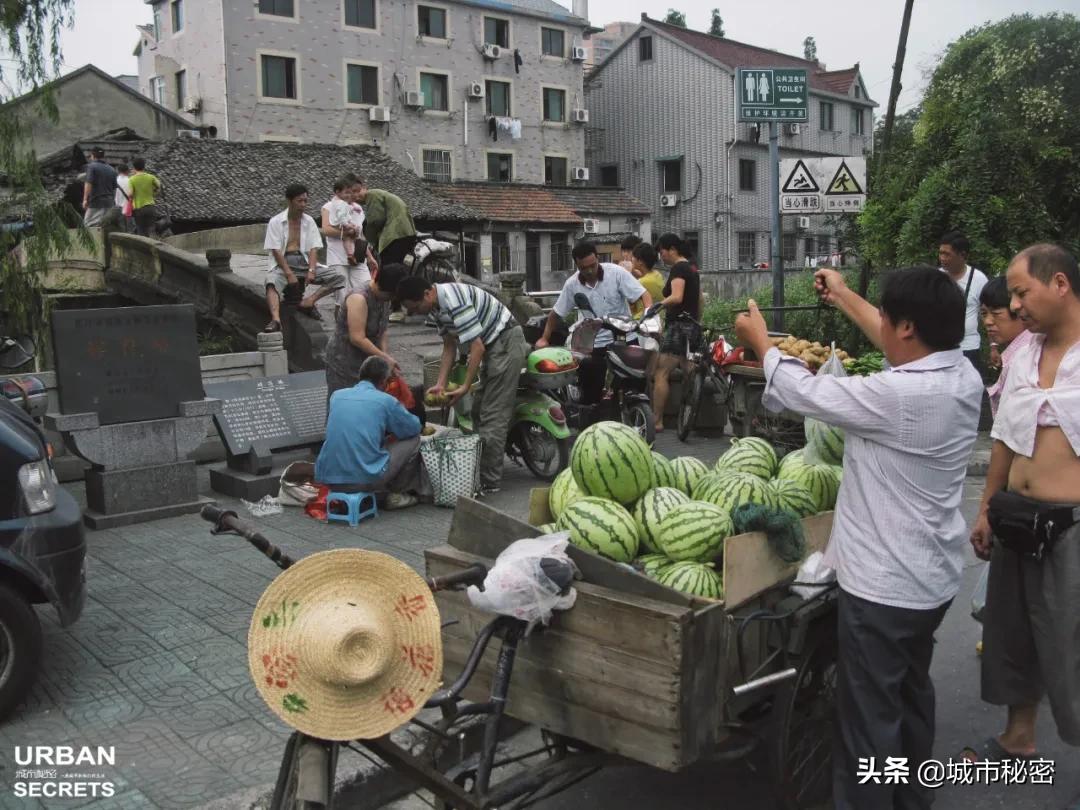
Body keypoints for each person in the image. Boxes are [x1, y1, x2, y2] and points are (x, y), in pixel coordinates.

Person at [735, 266, 982, 810]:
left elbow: (809, 393)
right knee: (910, 695)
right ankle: (913, 797)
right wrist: (845, 296)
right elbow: (896, 340)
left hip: (884, 591)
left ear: (909, 328)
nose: (885, 326)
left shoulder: (898, 396)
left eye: (889, 319)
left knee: (868, 726)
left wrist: (763, 346)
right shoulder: (959, 375)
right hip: (933, 581)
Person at [966, 244, 1080, 772]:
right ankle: (1019, 738)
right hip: (1017, 517)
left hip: (1072, 529)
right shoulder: (1024, 355)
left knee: (1071, 646)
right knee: (1012, 635)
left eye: (1019, 292)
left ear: (1059, 284)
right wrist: (988, 508)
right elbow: (1005, 441)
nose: (1013, 307)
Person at [396, 276, 527, 493]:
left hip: (504, 342)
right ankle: (480, 468)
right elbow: (449, 346)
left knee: (492, 415)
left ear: (428, 293)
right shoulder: (436, 308)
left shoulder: (453, 301)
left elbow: (477, 347)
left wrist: (465, 386)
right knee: (477, 411)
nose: (415, 312)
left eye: (415, 306)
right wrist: (441, 383)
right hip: (493, 345)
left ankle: (489, 481)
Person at [535, 240, 650, 408]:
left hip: (623, 336)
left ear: (597, 258)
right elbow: (556, 313)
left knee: (635, 382)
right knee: (591, 391)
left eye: (593, 265)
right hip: (594, 342)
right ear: (577, 265)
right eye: (584, 268)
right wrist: (544, 338)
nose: (589, 271)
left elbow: (644, 295)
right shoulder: (572, 284)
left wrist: (648, 313)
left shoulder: (616, 273)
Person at [315, 356, 425, 510]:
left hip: (329, 479)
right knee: (413, 439)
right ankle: (396, 494)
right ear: (383, 382)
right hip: (363, 480)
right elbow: (413, 427)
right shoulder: (385, 400)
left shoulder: (337, 396)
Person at [324, 263, 424, 421]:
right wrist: (383, 358)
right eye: (391, 296)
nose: (391, 300)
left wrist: (384, 356)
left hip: (368, 362)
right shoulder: (359, 298)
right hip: (344, 361)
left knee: (366, 409)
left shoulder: (384, 300)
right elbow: (357, 338)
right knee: (343, 409)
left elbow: (382, 330)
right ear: (384, 287)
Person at [262, 183, 346, 333]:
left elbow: (313, 247)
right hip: (284, 263)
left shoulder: (308, 221)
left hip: (304, 261)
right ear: (289, 201)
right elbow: (275, 250)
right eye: (299, 201)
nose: (303, 205)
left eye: (305, 201)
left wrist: (312, 269)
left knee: (339, 277)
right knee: (271, 282)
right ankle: (275, 320)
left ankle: (309, 301)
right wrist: (288, 273)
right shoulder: (276, 221)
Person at [652, 233, 702, 432]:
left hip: (678, 327)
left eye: (661, 251)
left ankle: (657, 421)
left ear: (672, 249)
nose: (661, 256)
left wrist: (657, 306)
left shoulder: (679, 268)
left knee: (661, 372)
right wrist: (697, 321)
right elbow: (699, 300)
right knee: (689, 370)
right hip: (692, 326)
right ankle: (689, 418)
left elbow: (676, 296)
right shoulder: (692, 267)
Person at [978, 275, 1033, 418]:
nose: (988, 322)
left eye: (996, 313)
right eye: (984, 314)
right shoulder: (1016, 353)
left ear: (1019, 310)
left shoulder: (1025, 357)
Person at [321, 173, 378, 300]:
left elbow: (360, 236)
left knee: (366, 290)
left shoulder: (357, 208)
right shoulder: (329, 206)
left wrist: (369, 256)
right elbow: (326, 229)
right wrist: (346, 233)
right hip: (338, 257)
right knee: (342, 297)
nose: (355, 195)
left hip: (358, 256)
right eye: (352, 191)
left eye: (357, 192)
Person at [938, 230, 988, 372]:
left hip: (969, 348)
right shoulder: (936, 278)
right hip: (941, 349)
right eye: (940, 253)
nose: (942, 258)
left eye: (947, 254)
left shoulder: (979, 279)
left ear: (963, 255)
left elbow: (989, 313)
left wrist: (994, 345)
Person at [81, 148, 118, 227]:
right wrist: (112, 200)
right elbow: (114, 188)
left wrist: (85, 199)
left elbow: (88, 183)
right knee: (103, 224)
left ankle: (93, 239)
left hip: (96, 201)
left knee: (88, 225)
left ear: (93, 156)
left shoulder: (91, 167)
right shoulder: (111, 169)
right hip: (109, 202)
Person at [128, 157, 162, 237]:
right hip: (151, 207)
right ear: (144, 166)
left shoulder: (132, 179)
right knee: (152, 230)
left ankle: (143, 248)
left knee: (141, 231)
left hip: (139, 209)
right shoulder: (151, 177)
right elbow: (159, 185)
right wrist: (154, 193)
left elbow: (130, 194)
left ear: (134, 167)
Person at [114, 163, 133, 232]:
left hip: (118, 207)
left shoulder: (115, 181)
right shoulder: (130, 180)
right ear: (127, 171)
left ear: (118, 171)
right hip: (128, 208)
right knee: (130, 229)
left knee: (121, 229)